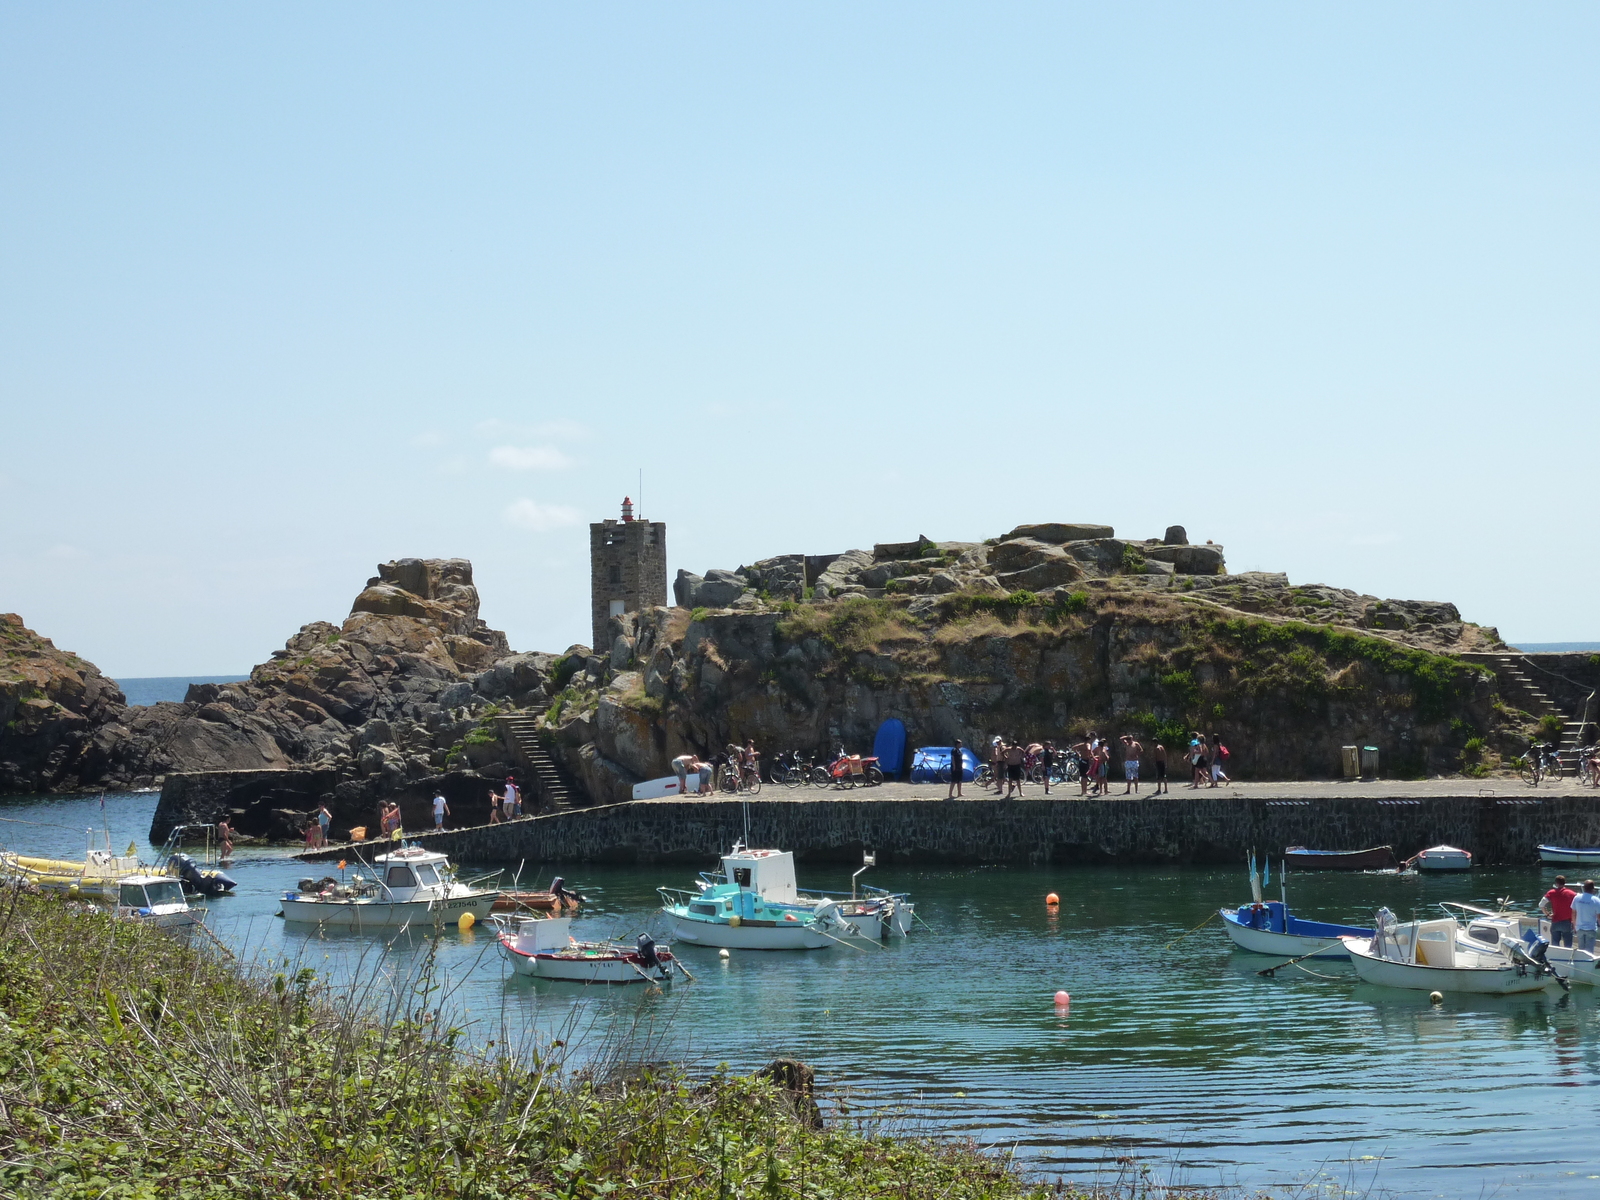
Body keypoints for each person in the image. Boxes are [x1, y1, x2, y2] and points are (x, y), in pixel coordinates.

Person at [1541, 875, 1578, 948]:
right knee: (1568, 946)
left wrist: (1547, 914)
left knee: (1555, 945)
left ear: (1556, 883)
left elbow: (1541, 905)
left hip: (1555, 921)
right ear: (1565, 883)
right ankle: (1567, 958)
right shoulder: (1571, 893)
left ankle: (1556, 957)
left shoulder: (1551, 892)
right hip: (1567, 922)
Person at [1572, 880, 1600, 954]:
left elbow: (1573, 913)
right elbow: (1599, 917)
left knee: (1581, 949)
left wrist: (1574, 925)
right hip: (1591, 928)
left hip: (1579, 928)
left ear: (1584, 888)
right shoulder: (1596, 900)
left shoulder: (1577, 898)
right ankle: (1588, 964)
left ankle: (1581, 963)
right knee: (1589, 952)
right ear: (1593, 889)